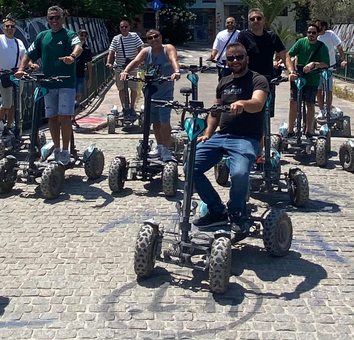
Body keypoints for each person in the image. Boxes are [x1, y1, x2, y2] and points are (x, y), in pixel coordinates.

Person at [192, 42, 269, 234]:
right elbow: (215, 111)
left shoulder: (257, 80)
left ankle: (236, 212)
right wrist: (208, 132)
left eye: (239, 57)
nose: (235, 61)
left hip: (246, 138)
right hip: (221, 136)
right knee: (190, 167)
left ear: (247, 59)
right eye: (231, 58)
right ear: (226, 61)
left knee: (239, 174)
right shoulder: (224, 82)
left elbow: (258, 103)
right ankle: (217, 211)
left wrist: (242, 103)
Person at [16, 6, 82, 165]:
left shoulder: (68, 34)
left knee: (65, 118)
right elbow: (29, 53)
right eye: (51, 18)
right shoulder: (42, 36)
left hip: (66, 82)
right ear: (47, 19)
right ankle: (57, 149)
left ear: (62, 18)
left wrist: (72, 57)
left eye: (57, 17)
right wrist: (21, 69)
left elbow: (78, 46)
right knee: (52, 119)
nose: (54, 20)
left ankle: (66, 152)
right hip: (48, 83)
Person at [121, 29, 181, 162]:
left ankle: (166, 149)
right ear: (147, 41)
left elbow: (174, 59)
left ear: (161, 37)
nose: (154, 39)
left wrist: (176, 71)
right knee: (156, 122)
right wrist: (125, 72)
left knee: (165, 121)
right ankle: (159, 146)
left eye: (156, 36)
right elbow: (136, 61)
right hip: (150, 92)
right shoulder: (145, 51)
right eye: (150, 38)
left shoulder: (168, 48)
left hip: (165, 94)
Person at [0, 16, 26, 133]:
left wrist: (31, 64)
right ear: (3, 28)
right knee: (6, 104)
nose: (10, 28)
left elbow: (24, 57)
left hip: (17, 76)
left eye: (12, 26)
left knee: (15, 104)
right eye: (7, 26)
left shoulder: (19, 42)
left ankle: (9, 127)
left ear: (15, 29)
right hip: (4, 75)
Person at [286, 26, 329, 137]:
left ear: (317, 34)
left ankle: (308, 130)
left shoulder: (322, 46)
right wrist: (291, 70)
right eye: (309, 32)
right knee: (293, 102)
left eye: (313, 33)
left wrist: (314, 64)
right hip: (298, 77)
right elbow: (288, 55)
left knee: (310, 104)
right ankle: (290, 130)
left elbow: (326, 64)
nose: (311, 35)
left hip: (312, 79)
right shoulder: (301, 42)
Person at [236, 8, 289, 79]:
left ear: (264, 20)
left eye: (259, 18)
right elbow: (236, 54)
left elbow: (284, 55)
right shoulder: (243, 36)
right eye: (252, 19)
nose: (256, 21)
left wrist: (291, 72)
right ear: (249, 22)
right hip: (249, 78)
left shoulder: (272, 36)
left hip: (268, 78)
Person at [106, 19, 143, 117]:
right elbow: (111, 52)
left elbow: (140, 50)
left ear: (129, 27)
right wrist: (108, 62)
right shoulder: (116, 38)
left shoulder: (134, 36)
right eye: (122, 27)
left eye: (126, 26)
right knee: (121, 88)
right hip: (119, 67)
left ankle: (132, 108)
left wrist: (140, 61)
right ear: (119, 28)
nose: (124, 28)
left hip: (132, 67)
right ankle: (124, 107)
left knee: (133, 88)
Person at [315, 19, 347, 115]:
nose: (316, 28)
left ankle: (328, 109)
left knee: (329, 89)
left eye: (318, 26)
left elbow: (339, 46)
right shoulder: (315, 36)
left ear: (324, 27)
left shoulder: (330, 34)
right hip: (317, 67)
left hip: (329, 67)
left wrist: (344, 59)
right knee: (319, 89)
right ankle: (321, 110)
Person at [75, 29, 93, 107]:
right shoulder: (72, 47)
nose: (83, 37)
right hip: (70, 75)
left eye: (85, 36)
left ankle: (73, 117)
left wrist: (89, 78)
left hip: (80, 75)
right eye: (81, 35)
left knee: (77, 96)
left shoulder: (87, 49)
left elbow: (89, 64)